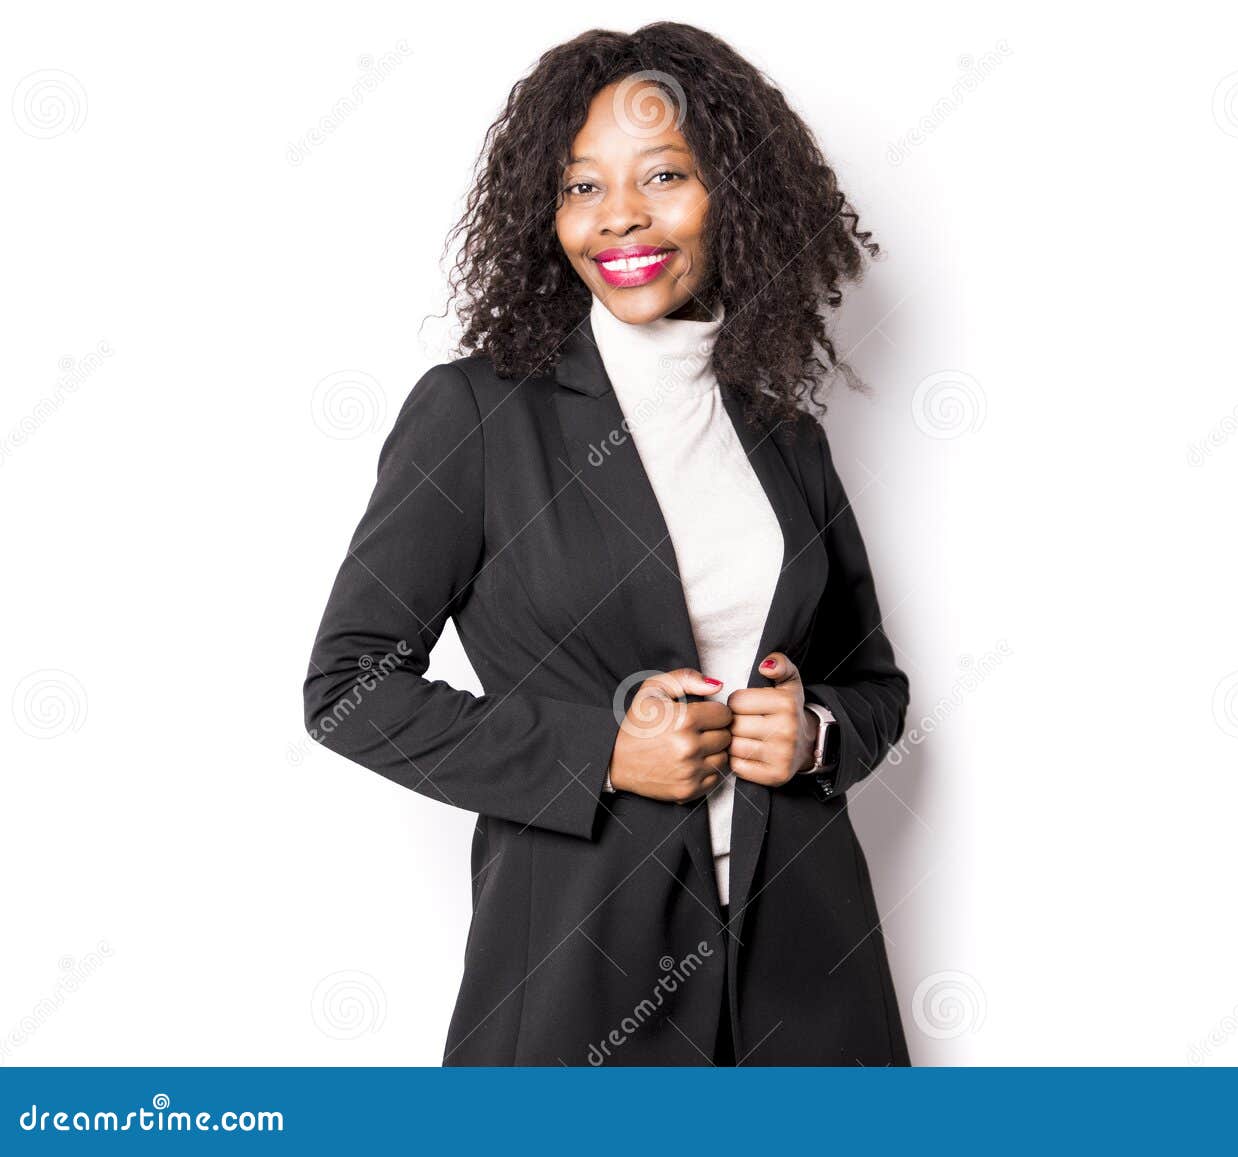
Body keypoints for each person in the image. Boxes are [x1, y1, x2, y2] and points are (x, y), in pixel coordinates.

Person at [303, 21, 910, 1065]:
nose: (619, 216)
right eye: (582, 186)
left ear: (737, 195)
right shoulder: (481, 415)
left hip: (809, 985)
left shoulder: (781, 433)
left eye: (663, 174)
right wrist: (601, 752)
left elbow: (873, 683)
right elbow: (348, 687)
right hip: (581, 988)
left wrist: (813, 732)